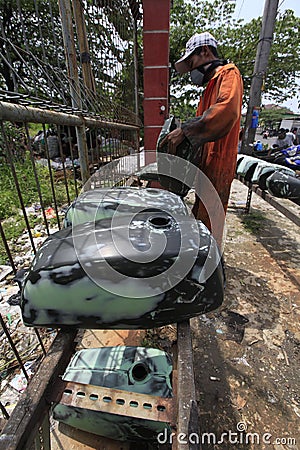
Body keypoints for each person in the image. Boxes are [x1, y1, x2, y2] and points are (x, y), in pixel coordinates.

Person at [160, 32, 243, 248]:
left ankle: (209, 268)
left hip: (219, 162)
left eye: (191, 62)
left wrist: (185, 131)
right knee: (200, 217)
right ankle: (201, 260)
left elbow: (225, 111)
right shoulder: (209, 88)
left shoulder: (229, 76)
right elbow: (201, 124)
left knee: (209, 221)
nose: (191, 70)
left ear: (205, 51)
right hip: (207, 165)